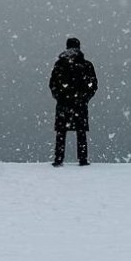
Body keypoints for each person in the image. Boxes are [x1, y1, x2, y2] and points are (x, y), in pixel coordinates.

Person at [49, 37, 98, 166]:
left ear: (67, 47)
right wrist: (84, 98)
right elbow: (93, 85)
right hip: (80, 103)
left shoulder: (59, 64)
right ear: (79, 47)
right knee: (81, 131)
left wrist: (59, 97)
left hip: (63, 103)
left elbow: (53, 84)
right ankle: (83, 159)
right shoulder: (86, 65)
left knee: (61, 132)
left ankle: (58, 159)